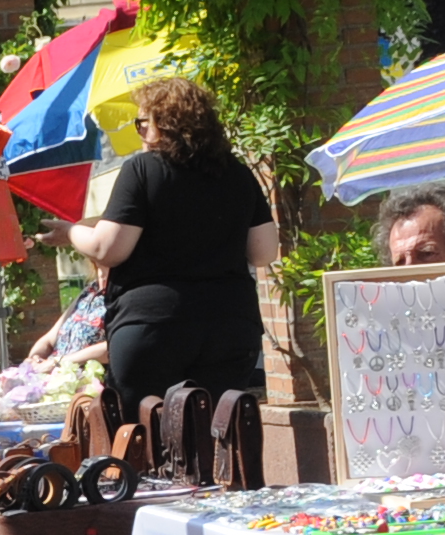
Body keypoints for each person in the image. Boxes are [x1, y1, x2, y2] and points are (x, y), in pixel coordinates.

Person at [34, 77, 280, 413]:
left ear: (164, 125)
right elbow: (264, 251)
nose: (140, 132)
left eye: (142, 123)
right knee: (217, 432)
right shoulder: (237, 173)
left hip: (153, 326)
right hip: (229, 324)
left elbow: (109, 249)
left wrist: (71, 232)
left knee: (150, 436)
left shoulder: (142, 170)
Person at [28, 273, 110, 366]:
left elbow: (115, 348)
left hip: (85, 377)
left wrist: (59, 362)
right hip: (53, 374)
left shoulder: (123, 295)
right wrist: (35, 358)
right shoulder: (90, 290)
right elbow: (49, 340)